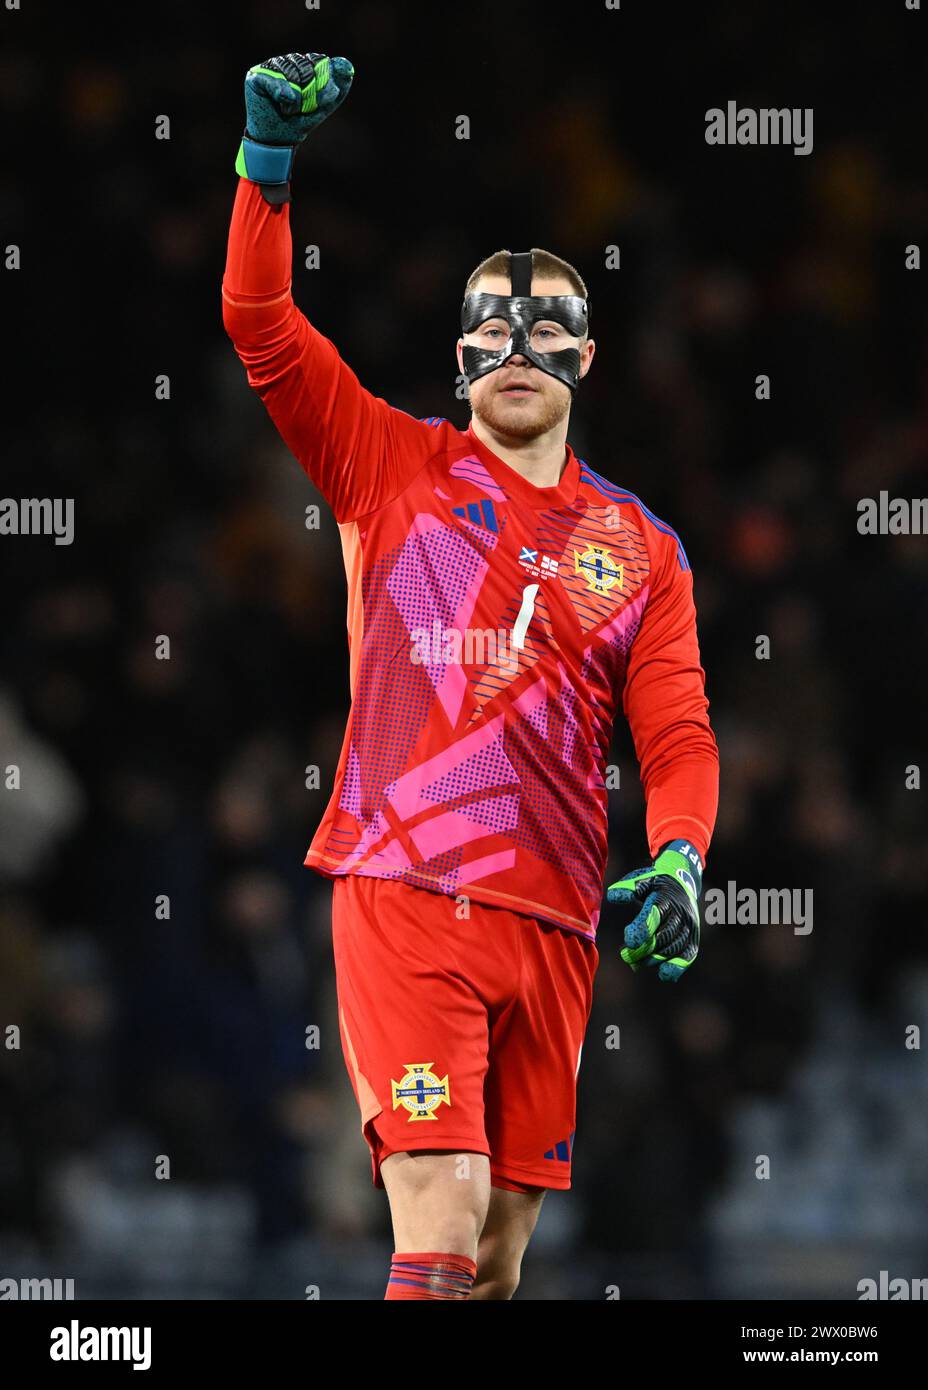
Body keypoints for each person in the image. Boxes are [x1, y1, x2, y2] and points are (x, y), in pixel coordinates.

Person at [222, 52, 719, 1300]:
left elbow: (676, 734)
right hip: (405, 881)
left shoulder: (643, 548)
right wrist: (266, 166)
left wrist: (679, 859)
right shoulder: (387, 466)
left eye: (547, 328)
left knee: (494, 1259)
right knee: (438, 1216)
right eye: (493, 328)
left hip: (555, 921)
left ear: (586, 358)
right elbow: (260, 325)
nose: (519, 344)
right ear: (459, 356)